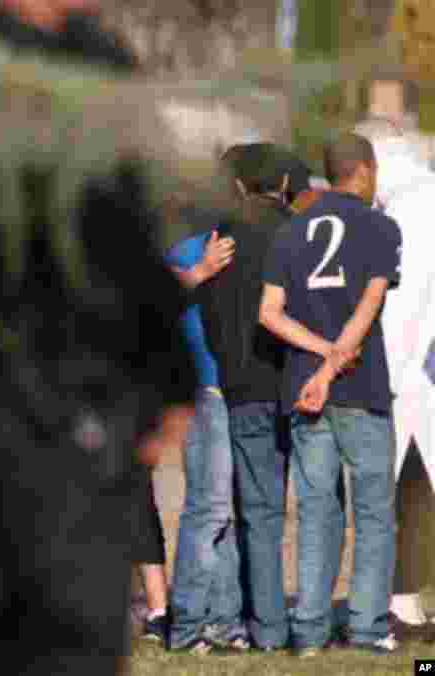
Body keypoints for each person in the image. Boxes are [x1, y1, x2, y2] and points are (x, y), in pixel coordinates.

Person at [0, 2, 197, 673]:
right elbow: (119, 229)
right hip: (52, 391)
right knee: (46, 625)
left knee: (15, 620)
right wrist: (172, 370)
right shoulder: (73, 65)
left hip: (12, 391)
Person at [259, 132, 401, 656]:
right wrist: (339, 358)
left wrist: (319, 361)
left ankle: (311, 632)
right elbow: (370, 302)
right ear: (363, 170)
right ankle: (366, 628)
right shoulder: (381, 227)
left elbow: (268, 314)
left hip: (304, 389)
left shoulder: (290, 232)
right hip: (359, 388)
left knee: (316, 512)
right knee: (373, 513)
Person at [197, 143, 305, 652]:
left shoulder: (223, 237)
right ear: (279, 183)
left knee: (256, 513)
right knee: (322, 508)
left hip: (243, 385)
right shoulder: (294, 229)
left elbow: (212, 314)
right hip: (300, 381)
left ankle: (265, 627)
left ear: (237, 185)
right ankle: (310, 622)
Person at [354, 117, 435, 634]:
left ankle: (404, 602)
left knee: (411, 492)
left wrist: (383, 381)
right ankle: (405, 602)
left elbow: (404, 309)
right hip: (422, 372)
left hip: (418, 376)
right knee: (414, 493)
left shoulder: (410, 209)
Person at [163, 184, 243, 654]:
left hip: (232, 391)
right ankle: (188, 623)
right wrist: (203, 269)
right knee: (206, 509)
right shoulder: (188, 248)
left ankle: (225, 621)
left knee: (224, 512)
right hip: (202, 393)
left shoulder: (236, 240)